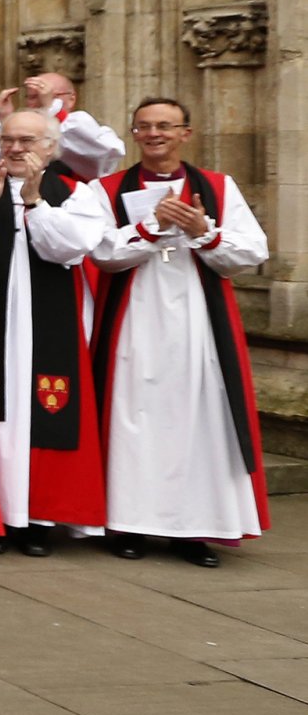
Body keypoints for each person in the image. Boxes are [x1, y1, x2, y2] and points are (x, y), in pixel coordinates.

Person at [88, 97, 269, 565]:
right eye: (145, 127)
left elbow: (251, 252)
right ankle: (127, 525)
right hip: (134, 318)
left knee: (197, 418)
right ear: (133, 134)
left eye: (166, 126)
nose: (155, 134)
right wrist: (150, 227)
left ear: (185, 133)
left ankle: (194, 529)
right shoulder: (104, 188)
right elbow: (101, 253)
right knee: (132, 416)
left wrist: (205, 233)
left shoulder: (217, 186)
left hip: (196, 320)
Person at [0, 110, 110, 553]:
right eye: (8, 139)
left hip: (46, 320)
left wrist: (35, 203)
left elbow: (68, 249)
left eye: (27, 140)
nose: (15, 148)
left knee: (43, 410)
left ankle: (39, 519)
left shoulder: (73, 192)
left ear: (51, 146)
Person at [0, 73, 125, 181]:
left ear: (71, 99)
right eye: (33, 97)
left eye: (52, 96)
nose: (40, 102)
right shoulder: (16, 132)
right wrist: (4, 120)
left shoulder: (79, 125)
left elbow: (107, 155)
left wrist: (53, 111)